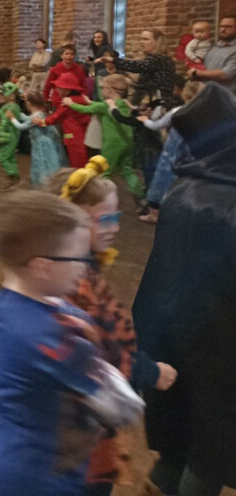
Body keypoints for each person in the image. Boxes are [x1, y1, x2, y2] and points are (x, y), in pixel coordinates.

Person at [0, 191, 144, 496]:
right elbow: (121, 406)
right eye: (79, 257)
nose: (85, 266)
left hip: (1, 445)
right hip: (40, 471)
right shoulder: (56, 335)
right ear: (42, 267)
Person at [49, 157, 178, 496]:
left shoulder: (66, 271)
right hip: (81, 429)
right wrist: (152, 372)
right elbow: (106, 356)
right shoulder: (80, 285)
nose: (115, 227)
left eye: (116, 217)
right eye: (104, 219)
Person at [132, 83, 236, 496]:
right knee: (214, 444)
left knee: (178, 427)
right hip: (220, 336)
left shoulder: (184, 185)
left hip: (169, 324)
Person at [66, 75, 145, 203]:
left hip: (112, 144)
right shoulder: (125, 103)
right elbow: (99, 105)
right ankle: (140, 196)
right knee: (127, 170)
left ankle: (103, 199)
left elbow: (86, 110)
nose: (101, 90)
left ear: (110, 90)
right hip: (128, 142)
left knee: (105, 171)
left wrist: (71, 104)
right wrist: (90, 101)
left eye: (103, 88)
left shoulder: (105, 105)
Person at [139, 80, 204, 225]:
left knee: (161, 182)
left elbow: (157, 125)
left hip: (171, 153)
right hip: (191, 155)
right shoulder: (205, 115)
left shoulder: (177, 111)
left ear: (185, 94)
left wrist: (144, 120)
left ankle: (154, 214)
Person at [100, 29, 179, 108]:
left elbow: (138, 66)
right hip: (150, 99)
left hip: (156, 102)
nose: (142, 42)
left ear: (157, 42)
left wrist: (114, 60)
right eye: (141, 39)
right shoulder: (155, 59)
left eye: (146, 39)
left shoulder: (160, 59)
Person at [8, 90, 67, 187]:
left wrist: (12, 118)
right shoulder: (40, 113)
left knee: (41, 162)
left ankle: (44, 183)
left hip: (40, 144)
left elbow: (21, 127)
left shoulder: (35, 117)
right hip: (44, 142)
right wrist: (19, 113)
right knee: (46, 161)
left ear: (29, 104)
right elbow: (27, 118)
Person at [46, 74, 92, 169]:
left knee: (77, 165)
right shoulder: (81, 98)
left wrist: (40, 121)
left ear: (66, 89)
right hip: (83, 134)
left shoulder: (67, 102)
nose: (56, 90)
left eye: (58, 87)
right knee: (83, 162)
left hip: (73, 137)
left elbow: (55, 118)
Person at [190, 14, 235, 93]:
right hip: (207, 93)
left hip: (225, 96)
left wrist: (197, 73)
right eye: (221, 26)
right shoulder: (214, 46)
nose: (223, 30)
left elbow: (225, 74)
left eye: (228, 27)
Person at [44, 44, 89, 108]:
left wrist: (84, 98)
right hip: (58, 101)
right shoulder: (55, 69)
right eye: (66, 54)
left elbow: (83, 86)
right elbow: (48, 85)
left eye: (72, 54)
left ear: (74, 56)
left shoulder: (79, 70)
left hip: (74, 101)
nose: (69, 56)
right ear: (61, 56)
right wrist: (45, 99)